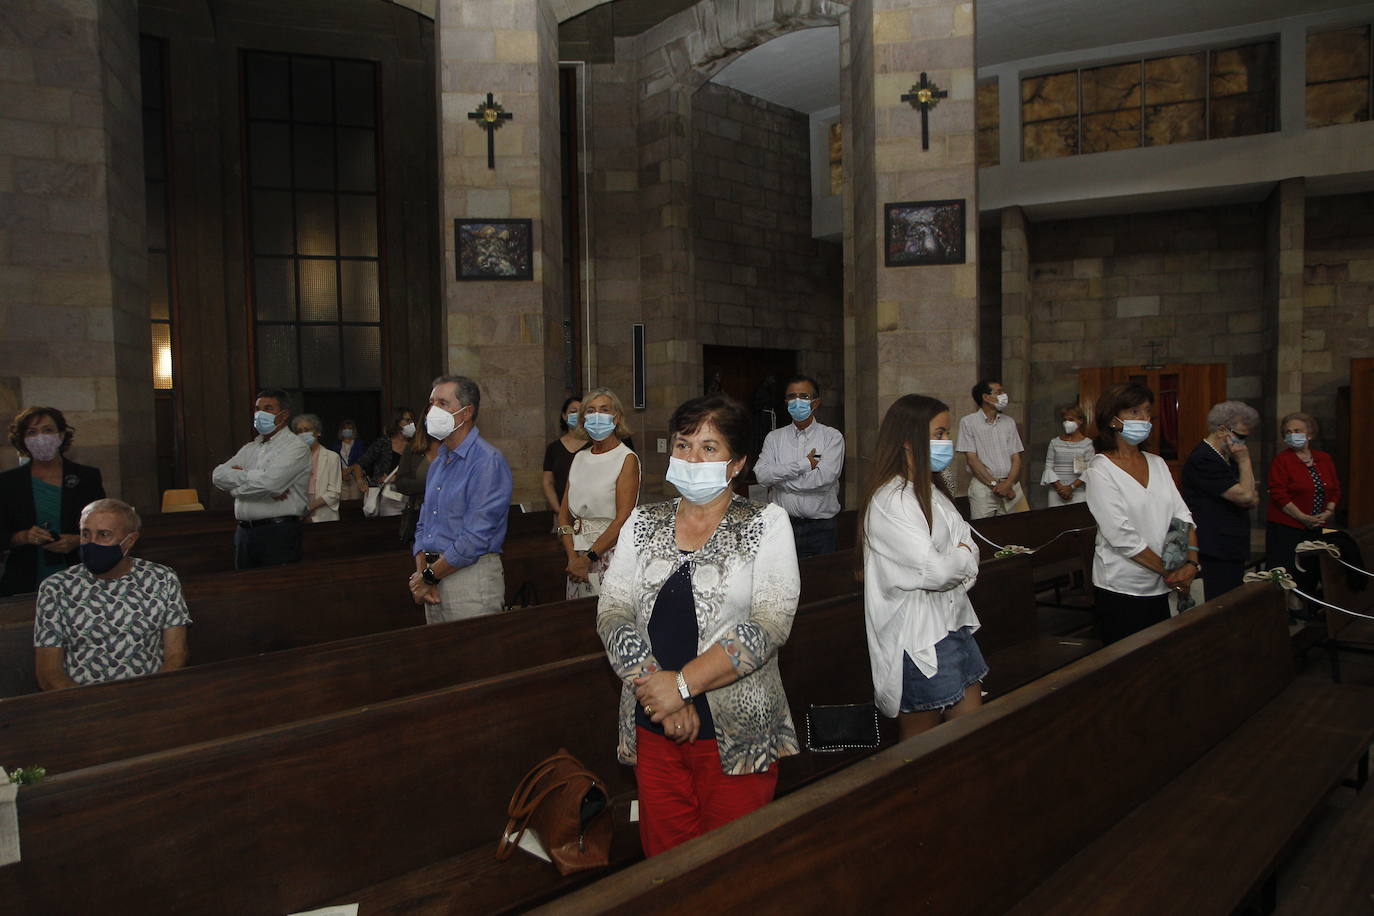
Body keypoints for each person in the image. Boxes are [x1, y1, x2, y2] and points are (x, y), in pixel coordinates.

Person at [596, 395, 800, 857]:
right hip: (655, 726)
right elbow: (612, 612)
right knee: (666, 868)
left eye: (709, 448)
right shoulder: (643, 523)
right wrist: (662, 694)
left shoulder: (765, 523)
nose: (692, 458)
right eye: (684, 445)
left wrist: (683, 686)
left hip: (738, 734)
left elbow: (770, 625)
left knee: (730, 870)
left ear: (737, 464)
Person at [861, 394, 984, 740]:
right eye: (940, 433)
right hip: (918, 637)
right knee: (921, 747)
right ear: (907, 439)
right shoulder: (890, 500)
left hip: (954, 623)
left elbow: (970, 548)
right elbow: (937, 572)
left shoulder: (933, 491)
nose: (948, 442)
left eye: (947, 433)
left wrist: (958, 560)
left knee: (974, 733)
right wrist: (959, 561)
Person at [1083, 382, 1199, 644]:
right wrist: (1170, 572)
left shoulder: (1157, 463)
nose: (1144, 419)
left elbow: (1182, 517)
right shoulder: (1100, 469)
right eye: (1134, 412)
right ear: (1113, 419)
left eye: (1147, 412)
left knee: (1162, 657)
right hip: (1124, 586)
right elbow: (1121, 535)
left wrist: (1190, 564)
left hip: (1164, 581)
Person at [33, 499, 190, 689]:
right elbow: (49, 673)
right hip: (82, 703)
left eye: (103, 534)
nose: (92, 543)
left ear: (129, 541)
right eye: (85, 534)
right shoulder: (56, 588)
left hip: (150, 695)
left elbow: (176, 655)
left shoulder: (162, 579)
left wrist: (153, 696)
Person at [408, 376, 513, 622]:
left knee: (473, 657)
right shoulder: (439, 463)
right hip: (435, 574)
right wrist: (424, 572)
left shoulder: (487, 461)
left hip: (470, 578)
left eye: (443, 403)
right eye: (432, 402)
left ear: (466, 412)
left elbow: (475, 537)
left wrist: (429, 577)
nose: (433, 410)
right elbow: (424, 525)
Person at [0, 406, 105, 596]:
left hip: (79, 574)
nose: (40, 437)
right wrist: (24, 536)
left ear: (61, 435)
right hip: (26, 578)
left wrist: (77, 540)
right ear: (23, 439)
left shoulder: (87, 477)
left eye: (47, 430)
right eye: (32, 432)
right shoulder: (8, 482)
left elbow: (105, 527)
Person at [211, 389, 311, 569]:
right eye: (257, 409)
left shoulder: (296, 447)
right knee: (244, 592)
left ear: (284, 414)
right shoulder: (251, 448)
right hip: (244, 533)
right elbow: (218, 475)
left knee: (277, 592)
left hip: (277, 533)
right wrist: (256, 477)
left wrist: (235, 489)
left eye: (268, 408)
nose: (260, 413)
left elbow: (271, 485)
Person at [558, 387, 640, 599]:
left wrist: (588, 559)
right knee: (577, 623)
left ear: (616, 417)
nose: (597, 416)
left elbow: (623, 518)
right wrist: (572, 558)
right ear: (583, 420)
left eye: (604, 410)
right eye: (591, 410)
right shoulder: (579, 458)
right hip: (575, 558)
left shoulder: (626, 458)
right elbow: (564, 515)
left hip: (607, 555)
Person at [754, 374, 845, 558]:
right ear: (786, 402)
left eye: (804, 396)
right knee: (781, 583)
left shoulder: (831, 438)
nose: (797, 401)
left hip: (821, 529)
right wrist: (804, 465)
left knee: (821, 582)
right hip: (781, 525)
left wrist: (780, 482)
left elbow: (824, 479)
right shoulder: (774, 438)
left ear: (815, 403)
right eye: (791, 396)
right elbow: (762, 476)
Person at [1181, 401, 1260, 602]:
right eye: (1240, 436)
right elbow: (1245, 495)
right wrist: (1245, 461)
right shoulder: (1204, 458)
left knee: (1233, 599)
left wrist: (1246, 489)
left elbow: (1253, 497)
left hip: (1232, 541)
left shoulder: (1227, 457)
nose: (1243, 443)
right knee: (1221, 602)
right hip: (1216, 544)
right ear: (1222, 429)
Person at [1267, 412, 1342, 597]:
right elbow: (1278, 494)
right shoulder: (1282, 460)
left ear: (1309, 434)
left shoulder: (1323, 458)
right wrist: (1302, 517)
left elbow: (1335, 489)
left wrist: (1328, 511)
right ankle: (1289, 607)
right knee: (1287, 569)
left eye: (1297, 430)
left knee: (1313, 567)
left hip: (1318, 524)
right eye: (1288, 432)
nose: (1292, 435)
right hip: (1288, 525)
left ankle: (1307, 603)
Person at [958, 379, 1027, 519]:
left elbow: (1016, 458)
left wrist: (1008, 484)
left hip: (1010, 486)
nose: (1004, 395)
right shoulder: (968, 422)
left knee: (1014, 531)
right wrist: (995, 484)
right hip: (984, 489)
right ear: (986, 397)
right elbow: (972, 460)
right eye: (999, 392)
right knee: (985, 531)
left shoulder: (1009, 422)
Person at [350, 407, 416, 516]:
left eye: (412, 420)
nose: (411, 424)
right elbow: (360, 464)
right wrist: (360, 481)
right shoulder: (383, 443)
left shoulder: (415, 446)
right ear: (397, 422)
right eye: (408, 420)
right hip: (387, 496)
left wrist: (398, 478)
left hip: (408, 495)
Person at [394, 411, 441, 546]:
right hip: (419, 514)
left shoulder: (452, 448)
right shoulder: (413, 449)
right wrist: (431, 484)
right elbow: (401, 483)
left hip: (448, 517)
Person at [290, 413, 343, 524]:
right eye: (299, 431)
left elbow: (334, 493)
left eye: (307, 429)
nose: (303, 434)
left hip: (323, 512)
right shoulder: (292, 458)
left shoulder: (332, 457)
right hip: (297, 513)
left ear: (317, 432)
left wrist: (308, 508)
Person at [1040, 403, 1094, 507]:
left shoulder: (1087, 444)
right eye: (1065, 420)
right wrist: (1060, 488)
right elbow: (1048, 467)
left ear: (1080, 421)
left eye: (1071, 419)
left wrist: (1071, 487)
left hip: (1079, 493)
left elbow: (1088, 471)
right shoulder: (1054, 442)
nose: (1067, 423)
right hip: (1056, 493)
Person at [542, 396, 587, 513]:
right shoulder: (554, 448)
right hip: (562, 511)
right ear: (564, 416)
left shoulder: (595, 445)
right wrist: (559, 511)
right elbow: (548, 482)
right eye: (573, 411)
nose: (577, 415)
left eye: (581, 412)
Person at [336, 419, 365, 502]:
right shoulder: (336, 445)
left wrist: (349, 469)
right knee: (343, 502)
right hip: (341, 477)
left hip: (356, 476)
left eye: (350, 428)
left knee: (356, 500)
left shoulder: (359, 444)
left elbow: (362, 460)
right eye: (345, 428)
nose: (347, 430)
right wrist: (342, 473)